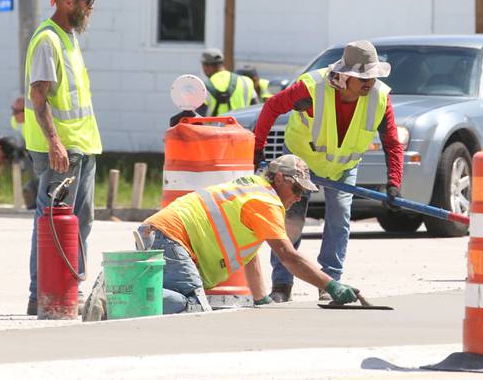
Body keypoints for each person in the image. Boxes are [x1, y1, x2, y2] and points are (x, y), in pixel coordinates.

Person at [101, 155, 358, 316]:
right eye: (297, 187)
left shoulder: (252, 187)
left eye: (304, 192)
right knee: (193, 307)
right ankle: (116, 294)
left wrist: (261, 300)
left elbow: (250, 254)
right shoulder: (266, 202)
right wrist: (330, 285)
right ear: (280, 178)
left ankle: (120, 286)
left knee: (171, 298)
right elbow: (288, 256)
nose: (299, 196)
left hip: (161, 233)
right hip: (173, 238)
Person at [253, 40, 404, 303]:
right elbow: (271, 107)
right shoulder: (311, 89)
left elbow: (392, 141)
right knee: (291, 222)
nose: (369, 83)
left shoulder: (379, 96)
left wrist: (394, 182)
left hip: (343, 166)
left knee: (339, 219)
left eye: (372, 76)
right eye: (362, 77)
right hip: (300, 163)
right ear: (344, 75)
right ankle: (281, 284)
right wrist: (257, 148)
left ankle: (329, 283)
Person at [23, 0, 101, 315]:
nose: (91, 8)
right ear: (67, 1)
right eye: (87, 2)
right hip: (60, 151)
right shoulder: (48, 40)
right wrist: (55, 142)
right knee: (53, 222)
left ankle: (68, 287)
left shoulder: (69, 38)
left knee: (79, 221)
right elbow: (39, 95)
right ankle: (42, 294)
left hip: (81, 146)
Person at [197, 48, 257, 116]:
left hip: (214, 126)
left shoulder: (204, 88)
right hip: (242, 126)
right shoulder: (246, 82)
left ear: (206, 66)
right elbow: (255, 110)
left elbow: (198, 116)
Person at [9, 96, 40, 209]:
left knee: (40, 178)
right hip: (30, 149)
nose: (14, 114)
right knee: (33, 177)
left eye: (17, 111)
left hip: (40, 150)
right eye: (13, 110)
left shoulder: (35, 122)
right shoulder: (14, 121)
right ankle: (33, 203)